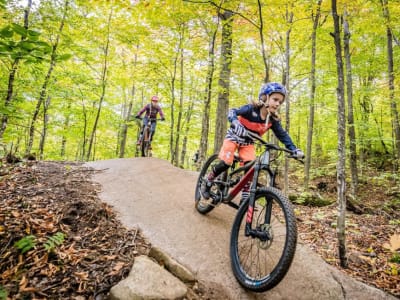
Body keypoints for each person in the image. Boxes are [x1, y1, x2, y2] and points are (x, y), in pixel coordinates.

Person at [201, 82, 304, 203]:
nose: (277, 104)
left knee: (251, 167)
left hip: (248, 143)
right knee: (226, 162)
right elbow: (232, 111)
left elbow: (283, 135)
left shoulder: (272, 120)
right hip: (233, 137)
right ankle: (208, 180)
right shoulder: (250, 109)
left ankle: (245, 196)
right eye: (275, 99)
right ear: (265, 97)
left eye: (280, 102)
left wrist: (294, 149)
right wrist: (235, 122)